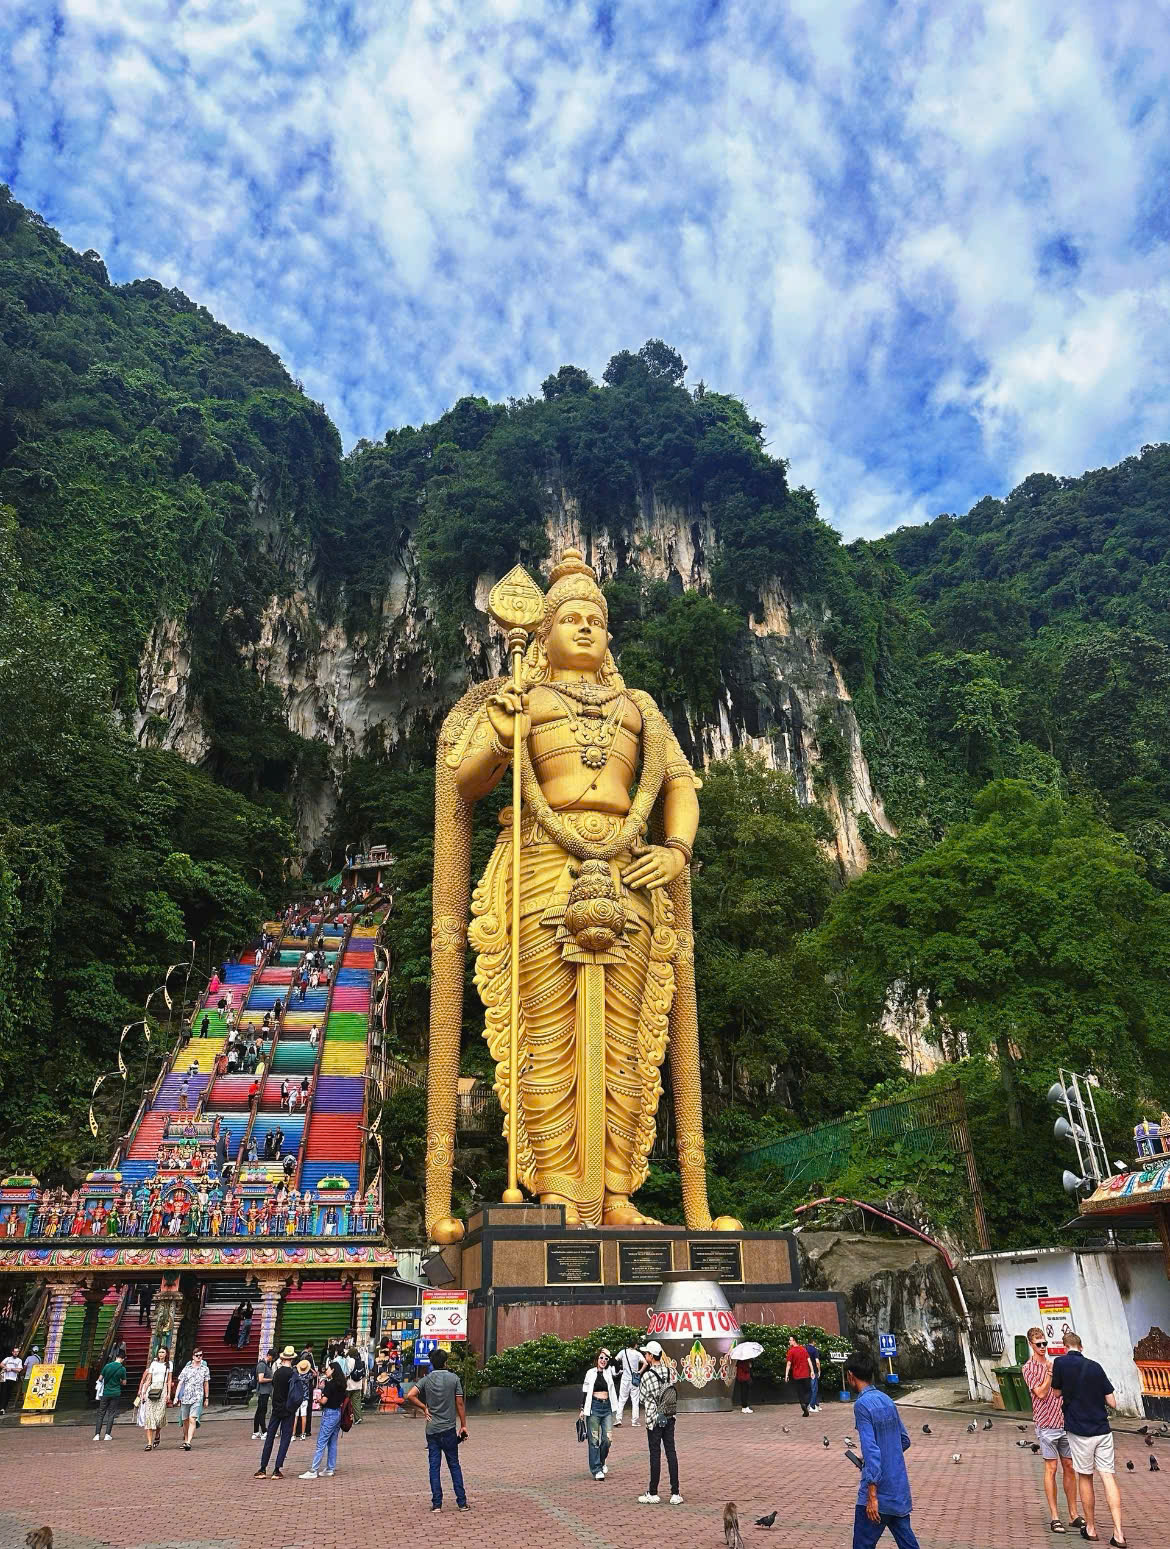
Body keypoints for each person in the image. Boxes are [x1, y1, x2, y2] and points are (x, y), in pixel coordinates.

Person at [1051, 1332, 1126, 1547]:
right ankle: (1119, 1534)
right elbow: (1112, 1402)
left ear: (1065, 1346)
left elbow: (1056, 1394)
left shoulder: (1060, 1363)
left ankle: (1091, 1528)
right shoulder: (1095, 1366)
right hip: (1102, 1430)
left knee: (1085, 1477)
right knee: (1108, 1477)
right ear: (1081, 1347)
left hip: (1079, 1430)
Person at [845, 1352, 918, 1548]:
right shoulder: (886, 1399)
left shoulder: (861, 1405)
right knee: (908, 1543)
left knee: (862, 1545)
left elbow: (871, 1450)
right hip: (898, 1489)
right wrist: (886, 1455)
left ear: (850, 1376)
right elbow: (904, 1440)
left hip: (878, 1492)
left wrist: (872, 1495)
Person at [1022, 1326, 1082, 1534]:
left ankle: (1074, 1514)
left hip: (1064, 1422)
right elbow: (1039, 1392)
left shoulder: (1056, 1363)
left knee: (1069, 1466)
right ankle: (1055, 1516)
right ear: (1031, 1344)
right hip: (1046, 1424)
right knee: (1051, 1468)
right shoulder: (1028, 1368)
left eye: (1045, 1343)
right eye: (1038, 1344)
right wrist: (1049, 1375)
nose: (1042, 1347)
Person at [406, 1347, 469, 1512]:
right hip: (449, 1429)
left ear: (432, 1363)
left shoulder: (426, 1380)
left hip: (432, 1430)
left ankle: (437, 1504)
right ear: (446, 1362)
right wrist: (463, 1425)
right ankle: (461, 1502)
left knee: (434, 1467)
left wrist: (424, 1407)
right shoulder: (454, 1379)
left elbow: (410, 1395)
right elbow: (460, 1404)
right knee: (454, 1464)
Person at [637, 1340, 681, 1505]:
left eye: (646, 1354)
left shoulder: (647, 1375)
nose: (645, 1356)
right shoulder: (670, 1371)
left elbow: (642, 1398)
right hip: (669, 1417)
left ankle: (653, 1492)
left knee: (655, 1454)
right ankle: (675, 1493)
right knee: (671, 1452)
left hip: (653, 1419)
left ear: (650, 1356)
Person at [300, 1349, 348, 1479]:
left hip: (329, 1414)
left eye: (328, 1369)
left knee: (321, 1442)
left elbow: (324, 1400)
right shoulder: (342, 1384)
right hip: (337, 1413)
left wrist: (319, 1400)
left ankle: (313, 1469)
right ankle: (330, 1468)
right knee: (332, 1442)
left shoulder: (330, 1384)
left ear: (333, 1370)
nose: (326, 1371)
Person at [256, 1345, 298, 1479]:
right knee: (285, 1438)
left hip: (276, 1408)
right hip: (288, 1409)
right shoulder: (292, 1374)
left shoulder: (277, 1373)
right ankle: (277, 1469)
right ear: (291, 1359)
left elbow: (274, 1388)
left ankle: (263, 1467)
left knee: (270, 1437)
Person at [578, 1347, 618, 1480]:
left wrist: (610, 1355)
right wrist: (582, 1409)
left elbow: (618, 1367)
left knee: (607, 1439)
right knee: (594, 1440)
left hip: (606, 1407)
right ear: (597, 1359)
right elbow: (585, 1391)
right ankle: (596, 1469)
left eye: (606, 1359)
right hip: (594, 1406)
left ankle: (601, 1461)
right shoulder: (590, 1373)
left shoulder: (609, 1372)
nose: (603, 1361)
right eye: (601, 1358)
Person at [136, 1342, 172, 1450]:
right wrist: (143, 1392)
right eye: (159, 1352)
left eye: (163, 1352)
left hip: (162, 1389)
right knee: (149, 1416)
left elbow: (169, 1380)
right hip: (152, 1390)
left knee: (159, 1417)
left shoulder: (169, 1364)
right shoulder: (153, 1364)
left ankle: (157, 1434)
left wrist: (169, 1393)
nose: (161, 1354)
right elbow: (148, 1379)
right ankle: (149, 1443)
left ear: (166, 1354)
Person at [173, 1349, 210, 1451]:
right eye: (197, 1355)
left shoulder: (205, 1369)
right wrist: (176, 1396)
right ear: (193, 1356)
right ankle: (185, 1439)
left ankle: (188, 1441)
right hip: (186, 1396)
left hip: (197, 1396)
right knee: (185, 1420)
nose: (199, 1357)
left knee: (192, 1418)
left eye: (201, 1355)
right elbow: (180, 1383)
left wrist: (206, 1397)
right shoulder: (187, 1368)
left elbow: (206, 1383)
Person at [94, 1344, 127, 1440]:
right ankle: (107, 1434)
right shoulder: (122, 1369)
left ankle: (97, 1434)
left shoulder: (107, 1366)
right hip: (116, 1392)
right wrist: (119, 1380)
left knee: (101, 1413)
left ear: (116, 1357)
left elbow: (100, 1379)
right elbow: (124, 1382)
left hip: (105, 1392)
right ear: (123, 1359)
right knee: (111, 1413)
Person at [614, 1343, 644, 1428]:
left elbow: (615, 1359)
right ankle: (635, 1421)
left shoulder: (623, 1352)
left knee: (622, 1400)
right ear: (635, 1345)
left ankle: (618, 1419)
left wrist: (619, 1369)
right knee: (635, 1401)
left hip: (624, 1379)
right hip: (634, 1380)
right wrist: (639, 1372)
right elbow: (645, 1363)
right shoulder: (638, 1353)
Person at [784, 1335, 813, 1416]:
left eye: (790, 1340)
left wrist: (786, 1375)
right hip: (805, 1374)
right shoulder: (803, 1349)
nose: (789, 1342)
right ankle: (806, 1404)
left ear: (794, 1341)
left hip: (797, 1375)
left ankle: (803, 1404)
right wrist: (812, 1371)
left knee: (800, 1392)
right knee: (809, 1390)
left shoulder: (791, 1351)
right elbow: (809, 1360)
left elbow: (788, 1364)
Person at [253, 1347, 275, 1439]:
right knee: (262, 1410)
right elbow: (261, 1379)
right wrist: (271, 1379)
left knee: (259, 1411)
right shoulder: (262, 1365)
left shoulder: (266, 1365)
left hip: (265, 1391)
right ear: (269, 1356)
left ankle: (256, 1431)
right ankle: (263, 1430)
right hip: (263, 1391)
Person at [0, 1346, 22, 1413]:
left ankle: (3, 1407)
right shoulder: (8, 1359)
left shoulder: (19, 1360)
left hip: (12, 1379)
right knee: (3, 1392)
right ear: (12, 1352)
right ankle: (2, 1408)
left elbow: (19, 1369)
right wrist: (6, 1367)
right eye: (14, 1352)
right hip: (5, 1378)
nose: (16, 1353)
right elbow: (1, 1364)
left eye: (17, 1352)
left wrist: (11, 1369)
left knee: (8, 1394)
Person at [805, 1338, 822, 1412]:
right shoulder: (814, 1350)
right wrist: (819, 1370)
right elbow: (817, 1361)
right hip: (813, 1371)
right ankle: (812, 1406)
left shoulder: (804, 1349)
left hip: (806, 1371)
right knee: (814, 1388)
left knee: (811, 1388)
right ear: (813, 1342)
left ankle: (816, 1404)